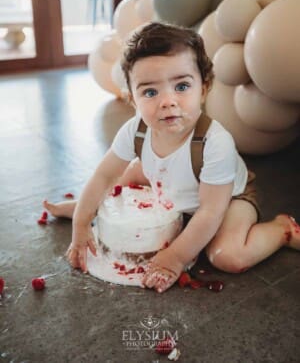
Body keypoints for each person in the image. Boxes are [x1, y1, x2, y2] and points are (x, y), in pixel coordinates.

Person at [44, 22, 300, 293]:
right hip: (171, 182)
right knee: (121, 177)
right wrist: (82, 222)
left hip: (227, 198)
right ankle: (88, 206)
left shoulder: (215, 143)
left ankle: (281, 229)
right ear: (133, 99)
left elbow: (210, 211)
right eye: (150, 92)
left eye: (181, 86)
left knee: (228, 256)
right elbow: (104, 175)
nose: (167, 101)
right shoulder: (136, 130)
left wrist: (175, 257)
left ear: (203, 88)